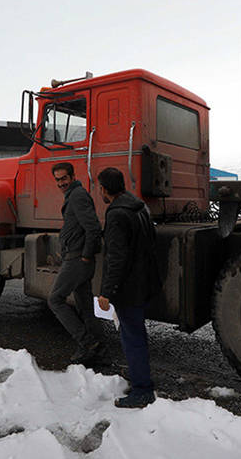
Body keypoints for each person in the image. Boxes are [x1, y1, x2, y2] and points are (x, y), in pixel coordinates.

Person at [96, 167, 161, 408]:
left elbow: (116, 258)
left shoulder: (116, 214)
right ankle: (139, 377)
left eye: (99, 187)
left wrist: (106, 292)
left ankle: (142, 390)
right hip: (144, 281)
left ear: (104, 189)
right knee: (136, 334)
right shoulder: (139, 206)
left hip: (129, 287)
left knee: (131, 337)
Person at [49, 162, 106, 364]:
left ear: (72, 177)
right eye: (57, 180)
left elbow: (93, 227)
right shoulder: (73, 195)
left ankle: (87, 342)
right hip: (76, 255)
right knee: (84, 304)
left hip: (77, 258)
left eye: (64, 178)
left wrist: (86, 255)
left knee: (55, 300)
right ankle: (97, 349)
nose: (61, 183)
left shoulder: (78, 195)